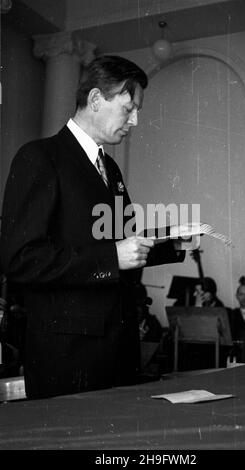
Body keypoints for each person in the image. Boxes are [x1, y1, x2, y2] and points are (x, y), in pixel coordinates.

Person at [0, 54, 186, 399]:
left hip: (120, 346)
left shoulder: (110, 170)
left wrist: (176, 242)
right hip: (69, 356)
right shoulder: (39, 157)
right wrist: (111, 258)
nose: (135, 120)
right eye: (129, 108)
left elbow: (122, 245)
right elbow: (20, 258)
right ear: (96, 99)